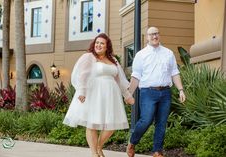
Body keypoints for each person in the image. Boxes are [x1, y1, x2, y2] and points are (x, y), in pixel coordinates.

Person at [63, 33, 135, 157]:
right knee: (92, 124)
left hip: (111, 96)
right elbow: (82, 75)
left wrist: (127, 95)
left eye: (102, 43)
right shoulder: (89, 57)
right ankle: (94, 153)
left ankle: (98, 146)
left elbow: (120, 80)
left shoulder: (113, 60)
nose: (98, 45)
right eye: (97, 43)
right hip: (94, 93)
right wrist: (81, 91)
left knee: (111, 126)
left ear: (107, 46)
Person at [126, 27, 186, 157]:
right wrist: (129, 93)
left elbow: (174, 73)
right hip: (148, 92)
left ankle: (157, 151)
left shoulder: (168, 53)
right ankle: (132, 142)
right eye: (152, 34)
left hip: (165, 93)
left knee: (161, 122)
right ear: (147, 37)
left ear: (159, 35)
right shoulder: (141, 55)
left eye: (156, 33)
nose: (154, 36)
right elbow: (136, 76)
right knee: (145, 120)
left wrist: (181, 90)